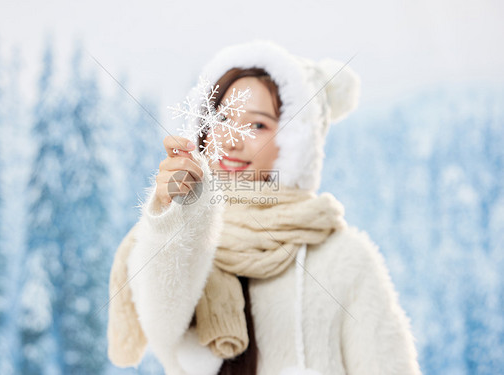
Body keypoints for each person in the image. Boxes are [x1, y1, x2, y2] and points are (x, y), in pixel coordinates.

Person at [107, 40, 422, 375]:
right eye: (222, 117)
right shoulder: (167, 233)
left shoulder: (345, 259)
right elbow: (162, 324)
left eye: (258, 125)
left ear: (294, 143)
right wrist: (177, 213)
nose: (231, 138)